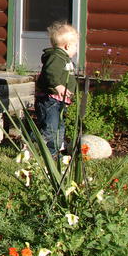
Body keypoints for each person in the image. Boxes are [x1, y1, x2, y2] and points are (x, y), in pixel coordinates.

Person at [34, 21, 79, 156]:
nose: (76, 49)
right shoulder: (56, 57)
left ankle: (53, 153)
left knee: (59, 128)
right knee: (50, 128)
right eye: (75, 46)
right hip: (50, 100)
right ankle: (29, 140)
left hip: (59, 101)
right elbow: (49, 72)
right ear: (67, 46)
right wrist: (57, 85)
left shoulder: (64, 58)